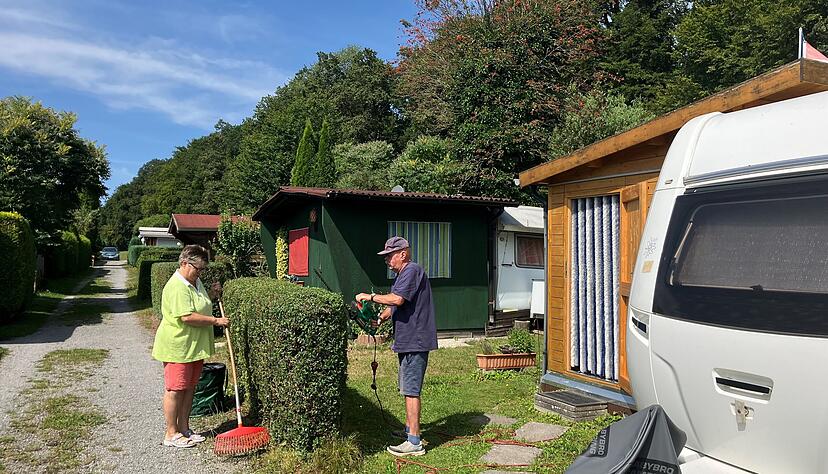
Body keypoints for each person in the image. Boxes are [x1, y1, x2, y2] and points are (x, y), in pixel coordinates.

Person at [355, 236, 437, 457]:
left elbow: (397, 299)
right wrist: (380, 319)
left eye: (390, 256)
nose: (387, 261)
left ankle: (415, 443)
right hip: (407, 340)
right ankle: (410, 431)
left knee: (411, 391)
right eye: (386, 257)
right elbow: (394, 305)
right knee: (406, 388)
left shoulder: (412, 270)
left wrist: (369, 296)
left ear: (403, 253)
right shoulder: (403, 274)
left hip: (415, 340)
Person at [151, 245, 228, 448]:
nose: (200, 272)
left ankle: (184, 428)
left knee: (189, 388)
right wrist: (215, 321)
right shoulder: (177, 286)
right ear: (184, 263)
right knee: (175, 389)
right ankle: (171, 433)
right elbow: (187, 316)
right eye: (198, 268)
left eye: (203, 269)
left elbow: (199, 305)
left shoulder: (194, 281)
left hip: (194, 347)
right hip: (178, 346)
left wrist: (211, 294)